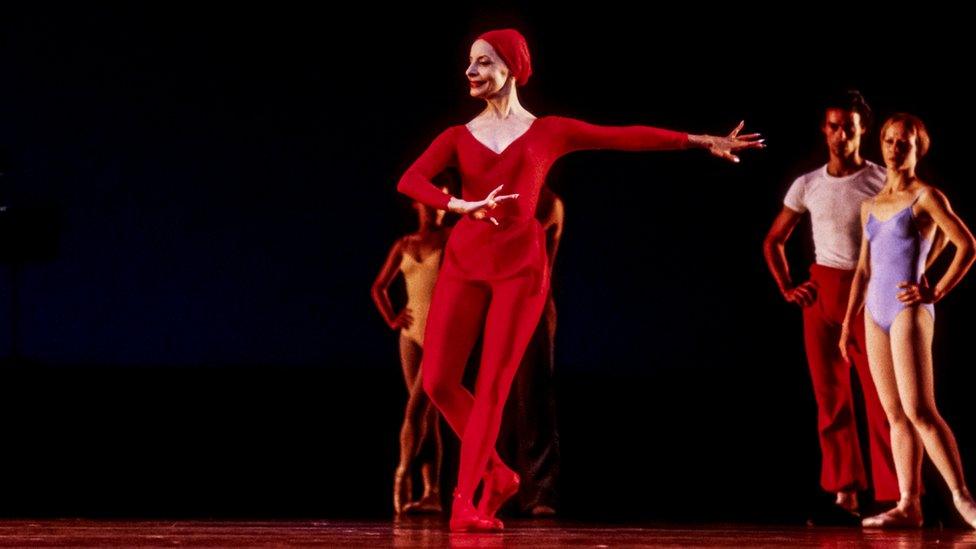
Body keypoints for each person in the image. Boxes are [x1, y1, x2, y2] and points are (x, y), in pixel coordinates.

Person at [397, 28, 762, 531]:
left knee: (494, 385)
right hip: (465, 260)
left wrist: (699, 141)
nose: (470, 71)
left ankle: (467, 499)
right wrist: (460, 205)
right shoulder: (457, 136)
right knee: (437, 380)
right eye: (468, 63)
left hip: (520, 269)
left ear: (511, 68)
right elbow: (410, 179)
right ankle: (500, 475)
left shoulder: (548, 131)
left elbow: (624, 136)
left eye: (482, 62)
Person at [763, 91, 898, 517]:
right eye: (834, 127)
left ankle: (896, 493)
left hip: (868, 292)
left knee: (880, 398)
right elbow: (773, 240)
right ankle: (845, 490)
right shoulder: (808, 184)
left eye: (850, 128)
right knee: (831, 397)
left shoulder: (881, 179)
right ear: (825, 130)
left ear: (863, 131)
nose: (841, 135)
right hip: (822, 292)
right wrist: (788, 286)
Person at [839, 113, 976, 529]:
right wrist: (847, 323)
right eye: (889, 140)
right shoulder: (870, 205)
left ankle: (963, 499)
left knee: (920, 410)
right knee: (894, 414)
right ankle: (908, 503)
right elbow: (863, 269)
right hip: (873, 313)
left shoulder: (926, 196)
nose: (895, 148)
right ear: (881, 143)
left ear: (919, 149)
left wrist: (936, 290)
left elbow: (966, 244)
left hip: (908, 311)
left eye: (905, 142)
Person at [372, 194, 449, 515]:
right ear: (417, 206)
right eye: (429, 203)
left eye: (442, 204)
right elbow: (378, 287)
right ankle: (431, 493)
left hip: (440, 337)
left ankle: (402, 472)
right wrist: (392, 318)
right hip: (410, 337)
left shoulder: (452, 240)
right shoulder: (404, 244)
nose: (436, 210)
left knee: (416, 408)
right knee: (427, 416)